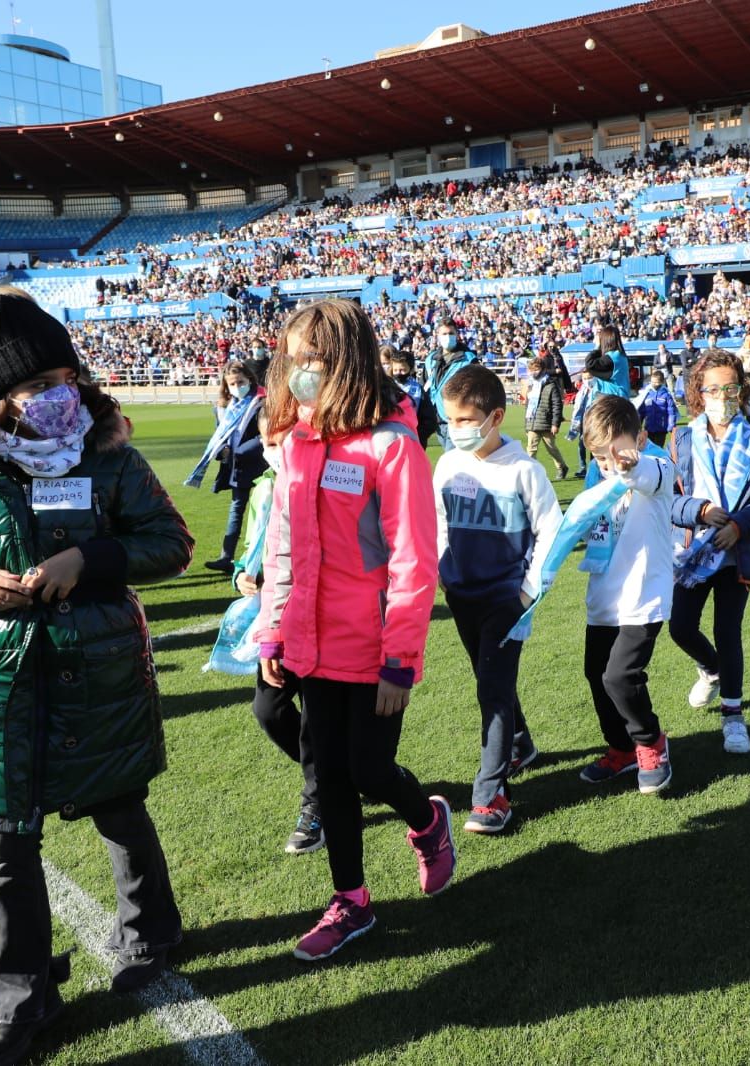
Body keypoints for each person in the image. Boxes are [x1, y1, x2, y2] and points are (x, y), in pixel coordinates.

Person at [0, 270, 193, 1064]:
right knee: (4, 848)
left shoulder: (110, 455)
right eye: (38, 384)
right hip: (1, 684)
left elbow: (171, 543)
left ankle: (150, 932)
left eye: (65, 377)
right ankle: (23, 998)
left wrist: (90, 558)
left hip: (99, 672)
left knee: (120, 813)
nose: (59, 394)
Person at [256, 299, 455, 963]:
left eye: (310, 359)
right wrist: (271, 633)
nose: (298, 371)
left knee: (368, 768)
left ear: (343, 362)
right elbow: (280, 546)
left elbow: (413, 560)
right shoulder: (298, 444)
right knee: (329, 777)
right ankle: (352, 901)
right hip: (309, 644)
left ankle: (427, 820)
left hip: (372, 650)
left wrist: (400, 658)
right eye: (292, 358)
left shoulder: (391, 447)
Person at [435, 364, 563, 834]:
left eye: (467, 420)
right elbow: (437, 520)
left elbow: (552, 530)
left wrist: (529, 589)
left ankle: (492, 795)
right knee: (490, 678)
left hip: (506, 600)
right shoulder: (448, 464)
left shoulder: (525, 470)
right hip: (462, 596)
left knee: (490, 691)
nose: (458, 430)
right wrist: (441, 569)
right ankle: (521, 744)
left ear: (496, 416)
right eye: (452, 421)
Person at [667, 349, 750, 752]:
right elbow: (667, 496)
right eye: (713, 389)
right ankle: (711, 669)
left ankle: (733, 716)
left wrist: (740, 525)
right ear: (699, 393)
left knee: (727, 630)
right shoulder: (680, 439)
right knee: (680, 627)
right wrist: (698, 510)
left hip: (738, 553)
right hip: (692, 553)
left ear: (742, 390)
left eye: (730, 388)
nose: (722, 397)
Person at [232, 414, 323, 855]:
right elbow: (252, 548)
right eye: (266, 437)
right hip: (274, 616)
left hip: (320, 617)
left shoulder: (319, 481)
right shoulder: (263, 486)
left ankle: (317, 801)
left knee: (318, 717)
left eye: (280, 436)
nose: (272, 444)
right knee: (268, 710)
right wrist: (241, 578)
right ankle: (328, 777)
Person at [576, 396, 676, 795]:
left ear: (641, 438)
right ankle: (619, 748)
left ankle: (651, 742)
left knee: (620, 676)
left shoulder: (658, 471)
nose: (610, 464)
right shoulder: (598, 487)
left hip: (642, 599)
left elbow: (646, 473)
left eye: (617, 452)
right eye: (601, 457)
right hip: (603, 600)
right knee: (596, 676)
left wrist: (633, 464)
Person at [200, 361, 267, 573]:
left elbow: (264, 434)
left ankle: (264, 558)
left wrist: (242, 450)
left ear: (249, 380)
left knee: (264, 512)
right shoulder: (222, 408)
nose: (237, 386)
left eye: (241, 382)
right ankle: (226, 557)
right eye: (232, 383)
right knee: (236, 511)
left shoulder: (261, 403)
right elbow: (219, 435)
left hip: (261, 466)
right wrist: (220, 452)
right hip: (236, 469)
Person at [567, 350, 629, 483]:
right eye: (585, 378)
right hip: (584, 423)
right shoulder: (581, 393)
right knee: (582, 445)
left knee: (598, 447)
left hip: (597, 423)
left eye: (589, 378)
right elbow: (577, 410)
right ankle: (583, 466)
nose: (587, 381)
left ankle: (597, 466)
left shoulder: (600, 389)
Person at [428, 318, 480, 449]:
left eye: (451, 333)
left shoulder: (469, 359)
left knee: (453, 458)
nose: (448, 337)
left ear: (457, 334)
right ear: (437, 335)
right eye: (444, 334)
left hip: (458, 417)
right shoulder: (431, 359)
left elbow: (477, 388)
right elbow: (426, 386)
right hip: (437, 419)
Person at [522, 356, 570, 478]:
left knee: (551, 448)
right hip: (533, 422)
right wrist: (527, 424)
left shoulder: (551, 385)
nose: (533, 372)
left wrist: (555, 423)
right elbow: (528, 406)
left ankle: (562, 467)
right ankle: (530, 473)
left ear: (543, 369)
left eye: (536, 369)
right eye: (531, 369)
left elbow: (557, 405)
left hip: (547, 423)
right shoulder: (531, 385)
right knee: (531, 450)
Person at [389, 350, 439, 448]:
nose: (398, 373)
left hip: (413, 441)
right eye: (395, 370)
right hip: (390, 440)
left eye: (403, 370)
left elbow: (430, 420)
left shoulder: (419, 391)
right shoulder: (386, 388)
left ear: (411, 370)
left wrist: (416, 436)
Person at [637, 368, 679, 447]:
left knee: (659, 447)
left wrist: (671, 426)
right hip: (649, 428)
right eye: (652, 382)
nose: (654, 384)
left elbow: (671, 412)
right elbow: (641, 411)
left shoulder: (667, 395)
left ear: (662, 382)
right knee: (649, 448)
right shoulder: (647, 394)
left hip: (661, 428)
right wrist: (639, 424)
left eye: (656, 382)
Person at [593, 321, 633, 395]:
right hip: (619, 396)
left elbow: (590, 364)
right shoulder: (620, 356)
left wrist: (597, 346)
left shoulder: (613, 357)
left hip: (612, 398)